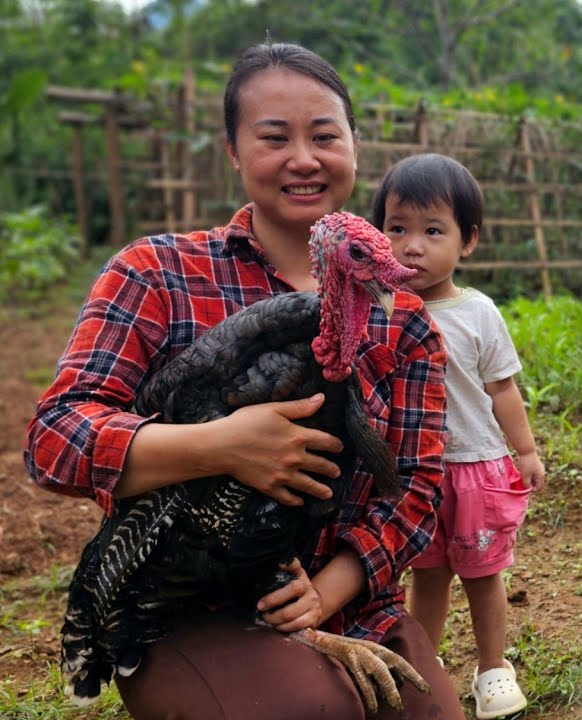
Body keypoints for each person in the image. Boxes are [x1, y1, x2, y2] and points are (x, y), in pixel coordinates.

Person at [24, 43, 464, 720]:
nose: (303, 159)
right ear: (232, 150)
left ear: (353, 144)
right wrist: (221, 446)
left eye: (324, 136)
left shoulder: (402, 319)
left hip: (342, 602)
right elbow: (56, 438)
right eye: (273, 137)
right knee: (300, 712)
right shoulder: (156, 274)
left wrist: (326, 593)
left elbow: (415, 487)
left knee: (426, 714)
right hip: (187, 603)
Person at [370, 153, 545, 720]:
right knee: (427, 573)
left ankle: (493, 668)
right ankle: (428, 663)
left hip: (475, 468)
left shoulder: (478, 313)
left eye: (432, 230)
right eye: (396, 228)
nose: (411, 246)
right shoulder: (383, 310)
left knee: (485, 575)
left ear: (466, 241)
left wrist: (526, 450)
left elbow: (502, 390)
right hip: (412, 474)